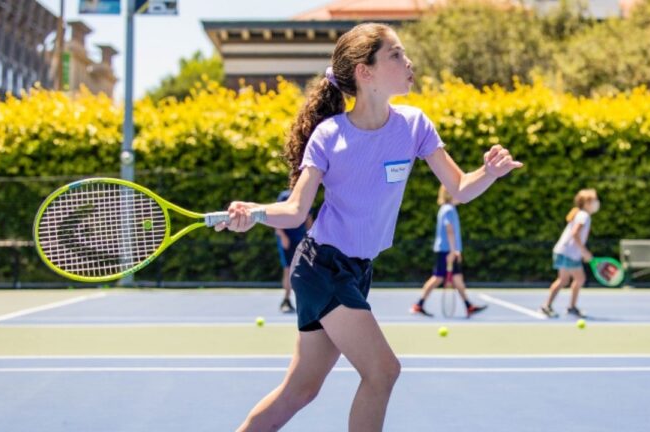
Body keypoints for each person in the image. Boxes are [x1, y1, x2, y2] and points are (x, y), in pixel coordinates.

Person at [216, 23, 522, 431]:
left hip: (358, 271)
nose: (408, 61)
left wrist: (488, 172)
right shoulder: (329, 136)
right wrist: (252, 213)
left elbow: (460, 188)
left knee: (300, 391)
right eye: (396, 55)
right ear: (365, 72)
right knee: (383, 371)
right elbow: (294, 210)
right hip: (323, 268)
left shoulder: (414, 125)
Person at [411, 185, 487, 318]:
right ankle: (419, 304)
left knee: (457, 278)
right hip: (446, 250)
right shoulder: (448, 210)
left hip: (448, 250)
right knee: (438, 278)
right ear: (450, 194)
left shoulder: (448, 209)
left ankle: (469, 306)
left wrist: (455, 251)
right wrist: (453, 251)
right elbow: (449, 230)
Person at [540, 189, 599, 319]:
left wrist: (582, 252)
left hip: (563, 251)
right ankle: (569, 307)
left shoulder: (579, 214)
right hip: (568, 253)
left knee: (563, 280)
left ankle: (548, 306)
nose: (597, 203)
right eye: (594, 200)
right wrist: (585, 252)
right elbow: (574, 233)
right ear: (587, 203)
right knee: (579, 279)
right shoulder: (584, 215)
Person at [274, 189, 313, 313]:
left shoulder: (307, 194)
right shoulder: (284, 196)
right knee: (288, 269)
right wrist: (282, 235)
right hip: (287, 240)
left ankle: (306, 301)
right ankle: (286, 300)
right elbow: (276, 216)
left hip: (301, 239)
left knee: (305, 269)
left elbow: (309, 220)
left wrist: (311, 238)